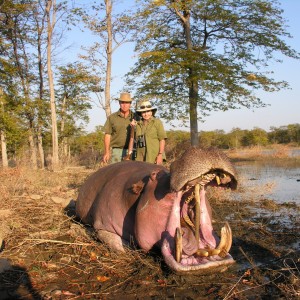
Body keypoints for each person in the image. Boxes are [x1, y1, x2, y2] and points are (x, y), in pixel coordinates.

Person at [128, 100, 167, 165]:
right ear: (141, 113)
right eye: (143, 112)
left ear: (151, 112)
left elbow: (162, 139)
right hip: (140, 157)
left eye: (148, 111)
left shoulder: (157, 122)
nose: (146, 114)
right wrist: (132, 127)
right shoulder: (137, 124)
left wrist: (160, 155)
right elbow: (132, 138)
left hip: (154, 157)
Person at [102, 92, 135, 164]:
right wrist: (107, 152)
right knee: (116, 174)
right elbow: (107, 135)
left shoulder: (136, 117)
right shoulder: (112, 117)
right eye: (122, 102)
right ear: (119, 103)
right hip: (117, 151)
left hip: (133, 151)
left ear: (130, 104)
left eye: (127, 103)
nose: (124, 105)